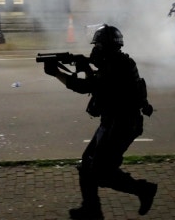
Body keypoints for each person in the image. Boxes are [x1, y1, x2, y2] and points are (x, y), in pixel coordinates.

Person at [42, 24, 157, 219]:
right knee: (87, 165)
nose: (95, 50)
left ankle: (142, 190)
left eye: (99, 46)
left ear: (108, 47)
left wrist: (58, 74)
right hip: (113, 122)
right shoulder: (116, 62)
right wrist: (85, 66)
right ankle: (91, 209)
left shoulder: (116, 66)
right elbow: (99, 82)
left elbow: (87, 86)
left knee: (102, 172)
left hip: (122, 124)